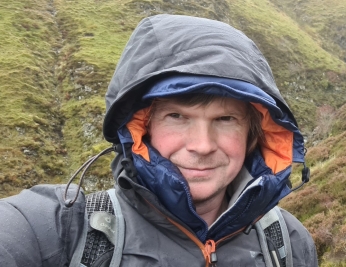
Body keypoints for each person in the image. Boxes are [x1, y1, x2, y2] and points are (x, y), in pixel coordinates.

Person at [0, 14, 317, 267]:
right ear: (141, 127)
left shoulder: (288, 242)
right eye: (177, 117)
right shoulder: (63, 230)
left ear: (252, 132)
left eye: (225, 119)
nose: (202, 145)